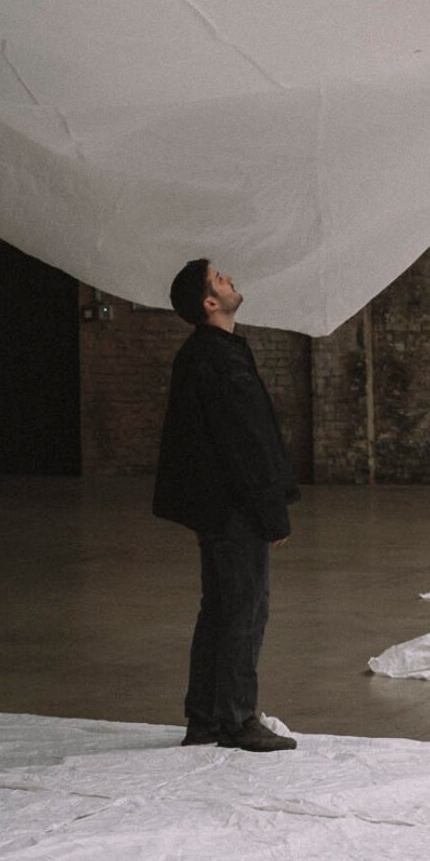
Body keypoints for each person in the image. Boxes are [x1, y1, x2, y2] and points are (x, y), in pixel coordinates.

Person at [152, 257, 299, 753]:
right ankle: (236, 719)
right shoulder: (218, 358)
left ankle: (206, 719)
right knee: (244, 611)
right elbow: (244, 442)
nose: (230, 279)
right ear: (210, 302)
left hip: (217, 507)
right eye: (220, 279)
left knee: (219, 609)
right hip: (234, 508)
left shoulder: (207, 352)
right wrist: (270, 511)